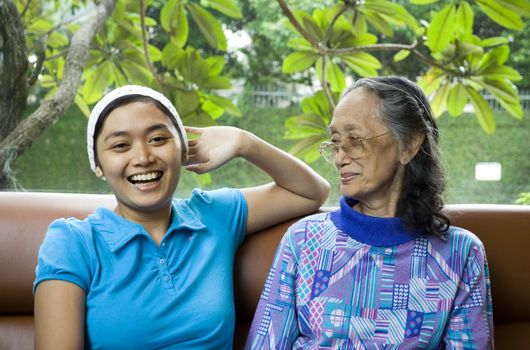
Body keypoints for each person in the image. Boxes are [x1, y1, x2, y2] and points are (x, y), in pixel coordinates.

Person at [33, 85, 330, 349]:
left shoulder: (214, 215)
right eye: (121, 145)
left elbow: (311, 191)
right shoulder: (73, 242)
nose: (143, 157)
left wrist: (244, 143)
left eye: (158, 139)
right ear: (98, 164)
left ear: (183, 149)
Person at [246, 76, 494, 349]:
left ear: (408, 145)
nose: (340, 158)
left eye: (355, 139)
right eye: (336, 142)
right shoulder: (304, 240)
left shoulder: (461, 253)